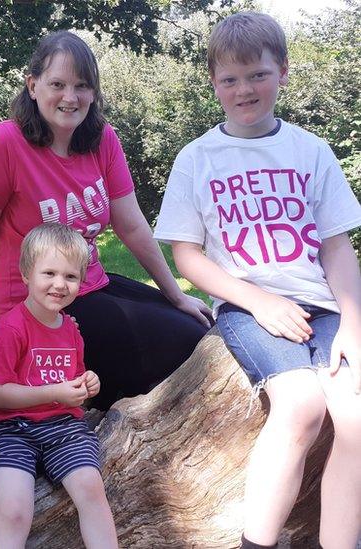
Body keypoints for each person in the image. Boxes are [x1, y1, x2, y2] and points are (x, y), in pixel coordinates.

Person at [154, 11, 361, 549]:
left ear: (284, 73)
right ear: (214, 84)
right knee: (300, 406)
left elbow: (336, 246)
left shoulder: (311, 151)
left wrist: (354, 323)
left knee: (357, 419)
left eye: (258, 74)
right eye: (230, 78)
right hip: (248, 310)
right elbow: (188, 256)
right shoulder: (198, 158)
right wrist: (257, 300)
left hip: (323, 307)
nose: (244, 88)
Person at [0, 30, 212, 411]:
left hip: (92, 283)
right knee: (181, 343)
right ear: (32, 86)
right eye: (57, 84)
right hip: (38, 303)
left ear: (94, 92)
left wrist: (175, 294)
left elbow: (131, 226)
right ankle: (110, 408)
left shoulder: (101, 139)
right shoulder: (3, 146)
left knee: (198, 326)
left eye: (82, 86)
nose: (70, 97)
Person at [0, 222, 118, 548]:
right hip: (12, 429)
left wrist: (88, 382)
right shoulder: (11, 328)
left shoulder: (70, 329)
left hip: (64, 429)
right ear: (27, 274)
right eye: (49, 274)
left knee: (91, 490)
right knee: (13, 511)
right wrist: (54, 393)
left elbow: (73, 381)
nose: (60, 284)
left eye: (70, 277)